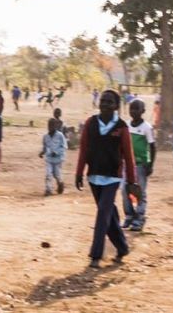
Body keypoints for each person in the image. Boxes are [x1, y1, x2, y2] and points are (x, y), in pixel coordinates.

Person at [75, 90, 140, 269]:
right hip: (94, 176)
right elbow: (84, 150)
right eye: (102, 101)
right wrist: (79, 173)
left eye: (109, 102)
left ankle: (95, 255)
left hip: (112, 178)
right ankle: (122, 247)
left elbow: (128, 156)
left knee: (103, 214)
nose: (104, 104)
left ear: (116, 106)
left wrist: (132, 182)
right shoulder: (90, 123)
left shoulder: (122, 127)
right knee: (109, 215)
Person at [122, 99, 156, 231]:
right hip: (127, 164)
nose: (133, 111)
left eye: (136, 109)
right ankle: (129, 215)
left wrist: (150, 164)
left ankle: (139, 217)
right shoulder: (126, 125)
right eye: (131, 108)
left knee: (140, 191)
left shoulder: (147, 127)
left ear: (143, 111)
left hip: (141, 164)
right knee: (125, 190)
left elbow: (153, 147)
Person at [39, 118, 66, 196]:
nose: (50, 127)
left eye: (52, 125)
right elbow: (44, 147)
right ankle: (48, 190)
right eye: (49, 125)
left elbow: (64, 147)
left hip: (58, 159)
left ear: (56, 126)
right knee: (48, 174)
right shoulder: (45, 136)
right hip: (49, 159)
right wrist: (42, 153)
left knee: (57, 174)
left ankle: (60, 184)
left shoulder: (60, 135)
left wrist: (57, 152)